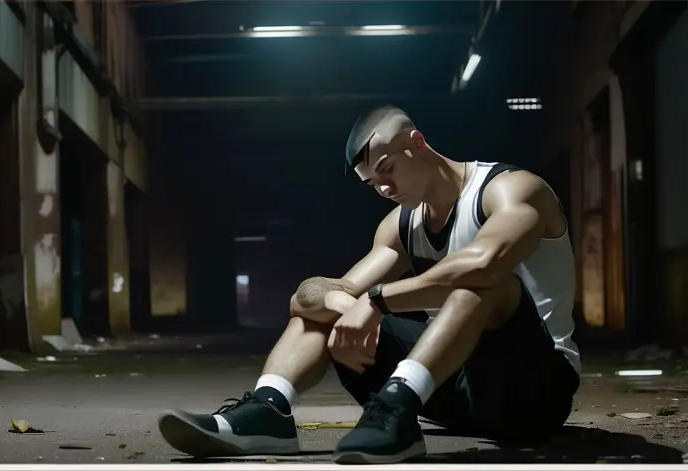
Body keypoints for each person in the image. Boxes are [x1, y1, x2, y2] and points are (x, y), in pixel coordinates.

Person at [157, 105, 581, 464]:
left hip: (534, 391)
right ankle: (269, 411)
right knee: (324, 308)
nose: (383, 187)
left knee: (485, 283)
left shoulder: (509, 189)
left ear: (417, 142)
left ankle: (397, 404)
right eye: (371, 182)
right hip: (455, 391)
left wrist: (375, 302)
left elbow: (484, 263)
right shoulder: (401, 225)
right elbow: (308, 295)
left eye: (388, 169)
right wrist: (348, 306)